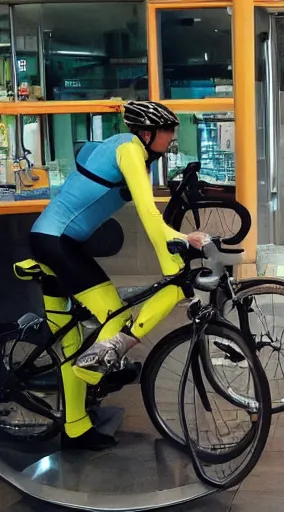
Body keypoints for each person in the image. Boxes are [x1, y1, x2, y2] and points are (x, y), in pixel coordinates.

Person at [29, 101, 208, 451]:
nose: (172, 136)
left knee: (69, 342)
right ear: (146, 133)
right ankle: (95, 369)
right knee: (115, 313)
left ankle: (76, 427)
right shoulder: (128, 150)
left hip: (59, 241)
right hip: (55, 242)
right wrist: (182, 241)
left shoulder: (128, 150)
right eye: (167, 131)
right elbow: (147, 213)